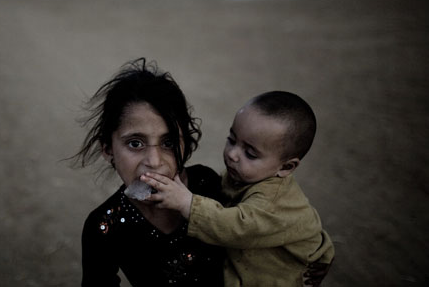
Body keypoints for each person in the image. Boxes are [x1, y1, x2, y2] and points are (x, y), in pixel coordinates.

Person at [141, 91, 335, 286]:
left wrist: (187, 203)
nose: (233, 154)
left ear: (285, 167)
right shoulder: (244, 176)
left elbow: (237, 227)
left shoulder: (272, 200)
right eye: (232, 140)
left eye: (250, 154)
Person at [72, 58, 225, 287]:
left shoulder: (208, 185)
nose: (154, 162)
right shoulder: (105, 226)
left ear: (187, 143)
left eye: (169, 142)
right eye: (135, 143)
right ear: (108, 149)